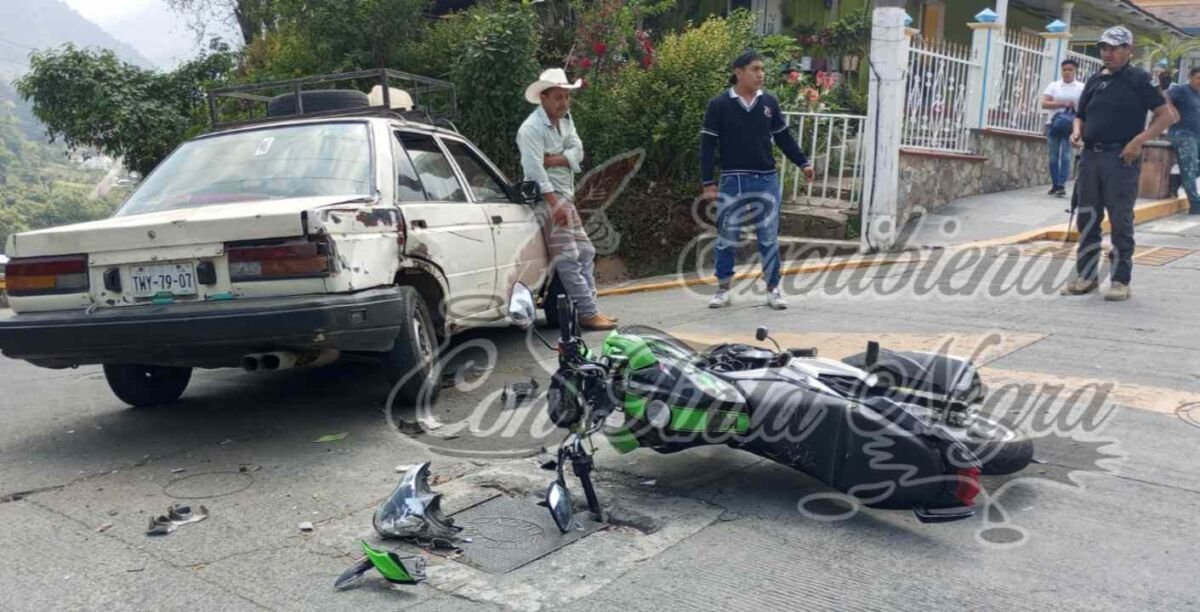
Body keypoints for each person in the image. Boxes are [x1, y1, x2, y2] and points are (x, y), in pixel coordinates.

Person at [1061, 26, 1176, 302]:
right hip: (1091, 157)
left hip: (1121, 157)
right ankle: (1086, 276)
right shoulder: (1094, 80)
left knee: (1120, 220)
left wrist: (1139, 142)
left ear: (1128, 50)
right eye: (1104, 48)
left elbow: (1166, 116)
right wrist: (1077, 130)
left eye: (1114, 48)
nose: (1107, 53)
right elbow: (1081, 115)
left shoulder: (1139, 79)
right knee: (1087, 216)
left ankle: (1120, 279)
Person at [700, 50, 814, 310]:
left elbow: (783, 138)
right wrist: (708, 182)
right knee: (728, 235)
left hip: (766, 179)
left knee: (768, 237)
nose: (760, 74)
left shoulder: (769, 103)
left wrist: (803, 163)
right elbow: (707, 146)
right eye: (755, 69)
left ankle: (773, 288)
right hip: (732, 179)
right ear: (738, 71)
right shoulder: (719, 105)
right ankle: (723, 289)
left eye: (762, 69)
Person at [517, 68, 619, 331]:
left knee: (586, 251)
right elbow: (534, 171)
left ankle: (588, 309)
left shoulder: (566, 121)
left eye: (566, 96)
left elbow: (578, 151)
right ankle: (588, 312)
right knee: (570, 257)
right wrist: (554, 202)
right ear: (544, 98)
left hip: (565, 197)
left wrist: (555, 158)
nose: (564, 103)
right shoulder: (530, 129)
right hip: (550, 200)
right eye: (558, 97)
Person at [1041, 59, 1084, 197]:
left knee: (1065, 155)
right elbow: (1044, 103)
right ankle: (1054, 184)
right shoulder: (1054, 86)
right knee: (1053, 156)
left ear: (1076, 71)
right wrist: (1062, 104)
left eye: (1070, 69)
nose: (1067, 72)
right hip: (1053, 125)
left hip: (1071, 126)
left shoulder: (1081, 88)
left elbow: (1084, 107)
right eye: (1064, 69)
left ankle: (1061, 185)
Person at [1166, 67, 1200, 214]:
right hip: (1182, 134)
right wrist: (1172, 110)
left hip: (1197, 134)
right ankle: (1195, 204)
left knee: (1190, 170)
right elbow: (1163, 97)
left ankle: (1177, 180)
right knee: (1190, 167)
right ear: (1190, 77)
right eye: (1199, 78)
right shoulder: (1180, 89)